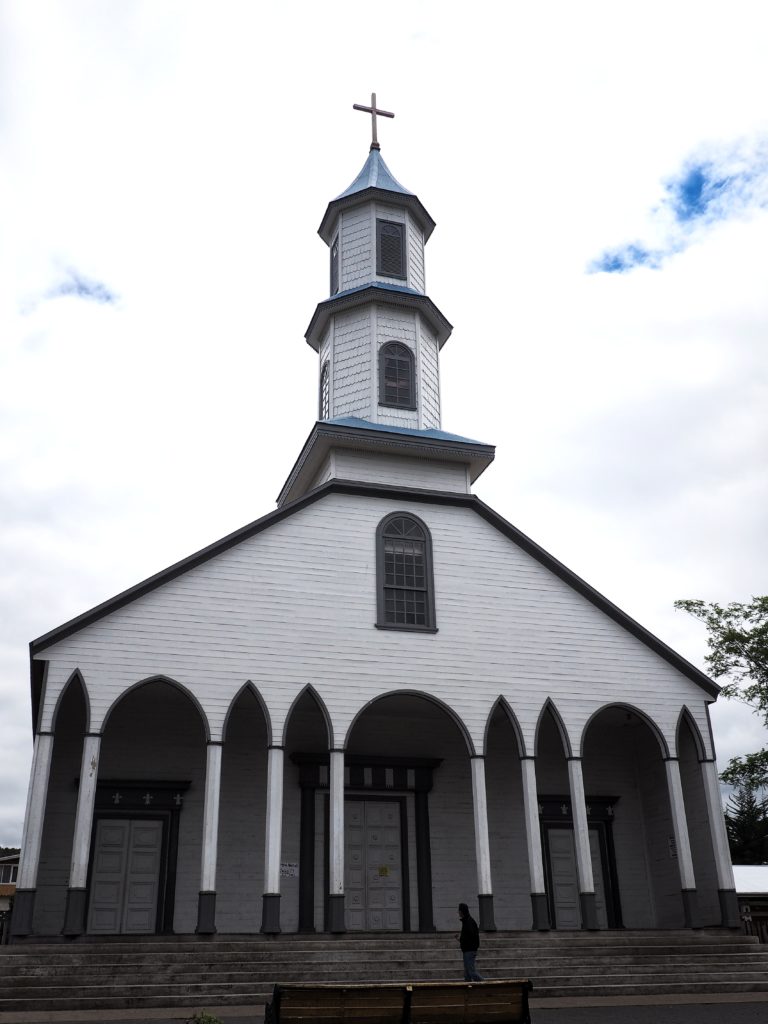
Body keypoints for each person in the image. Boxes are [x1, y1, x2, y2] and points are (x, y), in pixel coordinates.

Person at [457, 902, 484, 981]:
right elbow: (468, 937)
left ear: (462, 911)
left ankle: (485, 985)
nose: (458, 912)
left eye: (459, 911)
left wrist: (462, 940)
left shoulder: (469, 922)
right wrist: (461, 939)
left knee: (471, 972)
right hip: (467, 950)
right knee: (467, 973)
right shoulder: (467, 921)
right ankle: (468, 989)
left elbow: (471, 936)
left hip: (469, 950)